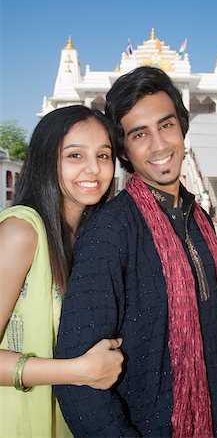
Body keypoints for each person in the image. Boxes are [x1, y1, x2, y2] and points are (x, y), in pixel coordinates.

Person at [55, 67, 217, 438]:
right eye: (140, 134)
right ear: (123, 148)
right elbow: (77, 380)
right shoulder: (112, 230)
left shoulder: (199, 219)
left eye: (166, 125)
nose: (158, 145)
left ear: (183, 129)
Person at [0, 105, 124, 438]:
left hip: (64, 418)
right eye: (74, 155)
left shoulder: (89, 236)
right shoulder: (21, 232)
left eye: (103, 155)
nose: (93, 169)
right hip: (15, 420)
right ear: (46, 160)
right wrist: (77, 370)